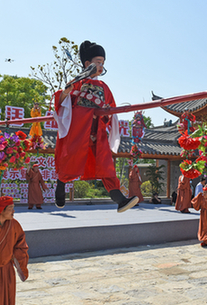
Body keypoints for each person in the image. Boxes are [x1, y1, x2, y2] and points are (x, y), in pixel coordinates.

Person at [53, 40, 138, 213]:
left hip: (97, 131)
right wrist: (66, 92)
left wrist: (107, 112)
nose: (101, 65)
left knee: (105, 164)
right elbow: (60, 103)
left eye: (103, 63)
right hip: (78, 129)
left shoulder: (104, 87)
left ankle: (120, 200)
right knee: (71, 160)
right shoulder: (77, 82)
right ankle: (60, 186)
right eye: (98, 62)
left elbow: (110, 109)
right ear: (87, 64)